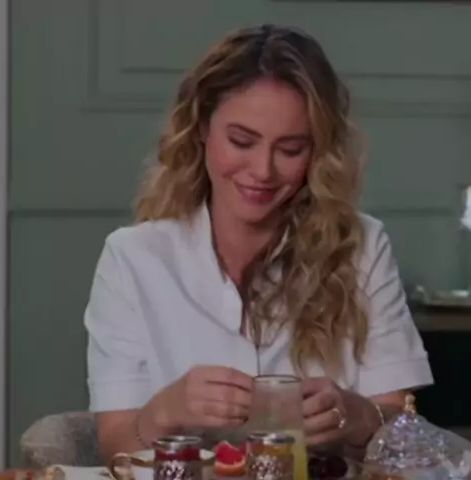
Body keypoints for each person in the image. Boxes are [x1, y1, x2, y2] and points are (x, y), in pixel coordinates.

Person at [85, 24, 433, 462]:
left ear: (317, 152)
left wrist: (356, 415)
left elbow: (403, 426)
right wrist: (167, 409)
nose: (263, 171)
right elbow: (116, 446)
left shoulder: (362, 247)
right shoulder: (132, 259)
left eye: (290, 149)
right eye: (241, 141)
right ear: (201, 129)